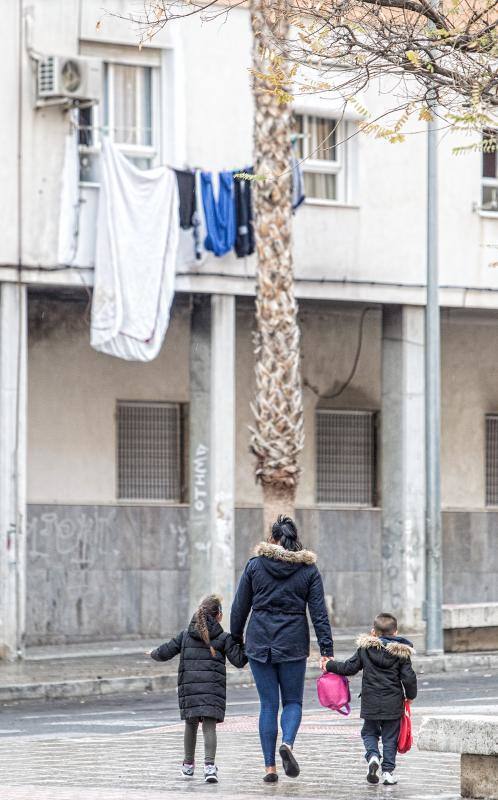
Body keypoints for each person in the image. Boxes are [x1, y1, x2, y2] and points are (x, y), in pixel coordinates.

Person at [230, 515, 334, 783]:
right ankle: (287, 742)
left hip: (259, 641)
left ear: (273, 539)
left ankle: (269, 769)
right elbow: (319, 613)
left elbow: (239, 606)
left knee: (268, 705)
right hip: (293, 642)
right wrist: (326, 651)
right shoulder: (308, 570)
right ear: (294, 539)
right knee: (293, 702)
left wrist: (236, 639)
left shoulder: (255, 565)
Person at [149, 594, 247, 784]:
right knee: (209, 726)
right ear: (218, 615)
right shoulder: (223, 638)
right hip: (212, 691)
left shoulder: (185, 635)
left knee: (190, 724)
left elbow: (166, 651)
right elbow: (240, 660)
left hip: (190, 688)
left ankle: (187, 766)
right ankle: (209, 768)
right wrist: (244, 643)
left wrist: (153, 653)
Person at [325, 612, 418, 786]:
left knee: (369, 732)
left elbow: (349, 667)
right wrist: (411, 696)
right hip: (393, 703)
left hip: (370, 702)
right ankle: (388, 773)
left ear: (373, 632)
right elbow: (409, 678)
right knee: (390, 738)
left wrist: (329, 665)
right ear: (395, 632)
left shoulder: (365, 649)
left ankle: (373, 756)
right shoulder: (402, 653)